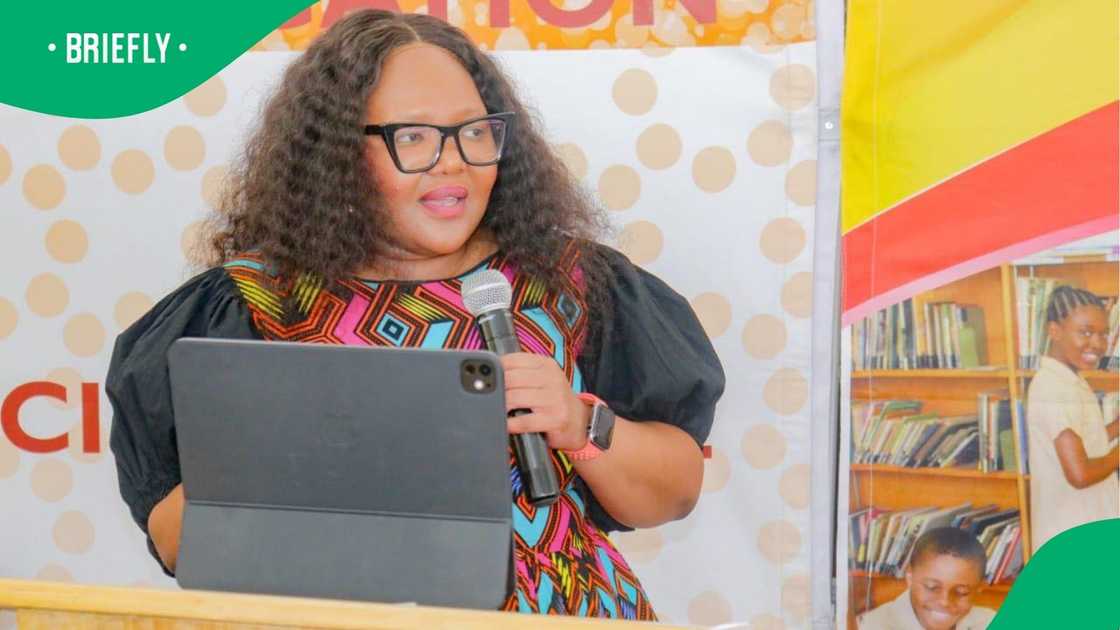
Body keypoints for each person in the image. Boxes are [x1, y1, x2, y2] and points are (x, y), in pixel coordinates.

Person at [105, 9, 724, 620]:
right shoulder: (250, 306)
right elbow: (181, 544)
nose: (452, 161)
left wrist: (583, 426)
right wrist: (314, 456)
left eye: (474, 132)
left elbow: (675, 491)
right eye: (413, 137)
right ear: (338, 155)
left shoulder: (572, 281)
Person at [1026, 285, 1119, 553]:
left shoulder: (1068, 378)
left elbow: (1085, 441)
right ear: (1054, 331)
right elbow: (1079, 474)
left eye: (1103, 334)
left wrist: (1116, 427)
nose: (1098, 344)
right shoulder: (1054, 389)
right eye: (1086, 332)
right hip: (1073, 532)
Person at [857, 527, 996, 630]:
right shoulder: (868, 626)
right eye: (932, 587)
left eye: (961, 592)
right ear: (909, 577)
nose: (944, 602)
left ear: (979, 588)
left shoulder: (990, 622)